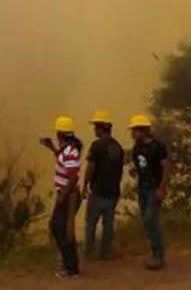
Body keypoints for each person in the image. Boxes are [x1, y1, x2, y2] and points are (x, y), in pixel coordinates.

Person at [40, 115, 82, 279]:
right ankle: (69, 263)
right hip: (66, 195)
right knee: (61, 228)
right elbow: (62, 160)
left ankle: (71, 267)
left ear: (61, 134)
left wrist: (62, 195)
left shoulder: (70, 151)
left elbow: (74, 177)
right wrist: (51, 148)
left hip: (68, 196)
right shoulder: (66, 150)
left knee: (60, 228)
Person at [129, 113, 170, 271]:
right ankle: (155, 252)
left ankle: (158, 255)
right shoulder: (137, 148)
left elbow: (166, 167)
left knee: (150, 218)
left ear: (143, 131)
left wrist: (162, 188)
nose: (132, 134)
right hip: (143, 188)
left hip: (154, 188)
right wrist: (135, 171)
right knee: (148, 221)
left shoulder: (157, 146)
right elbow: (139, 166)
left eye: (135, 130)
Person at [82, 110, 124, 261]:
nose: (94, 130)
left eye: (95, 126)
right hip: (113, 193)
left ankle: (88, 252)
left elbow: (91, 167)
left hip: (98, 192)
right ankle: (105, 252)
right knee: (108, 225)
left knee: (91, 223)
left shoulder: (97, 145)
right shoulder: (118, 147)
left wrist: (85, 186)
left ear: (100, 128)